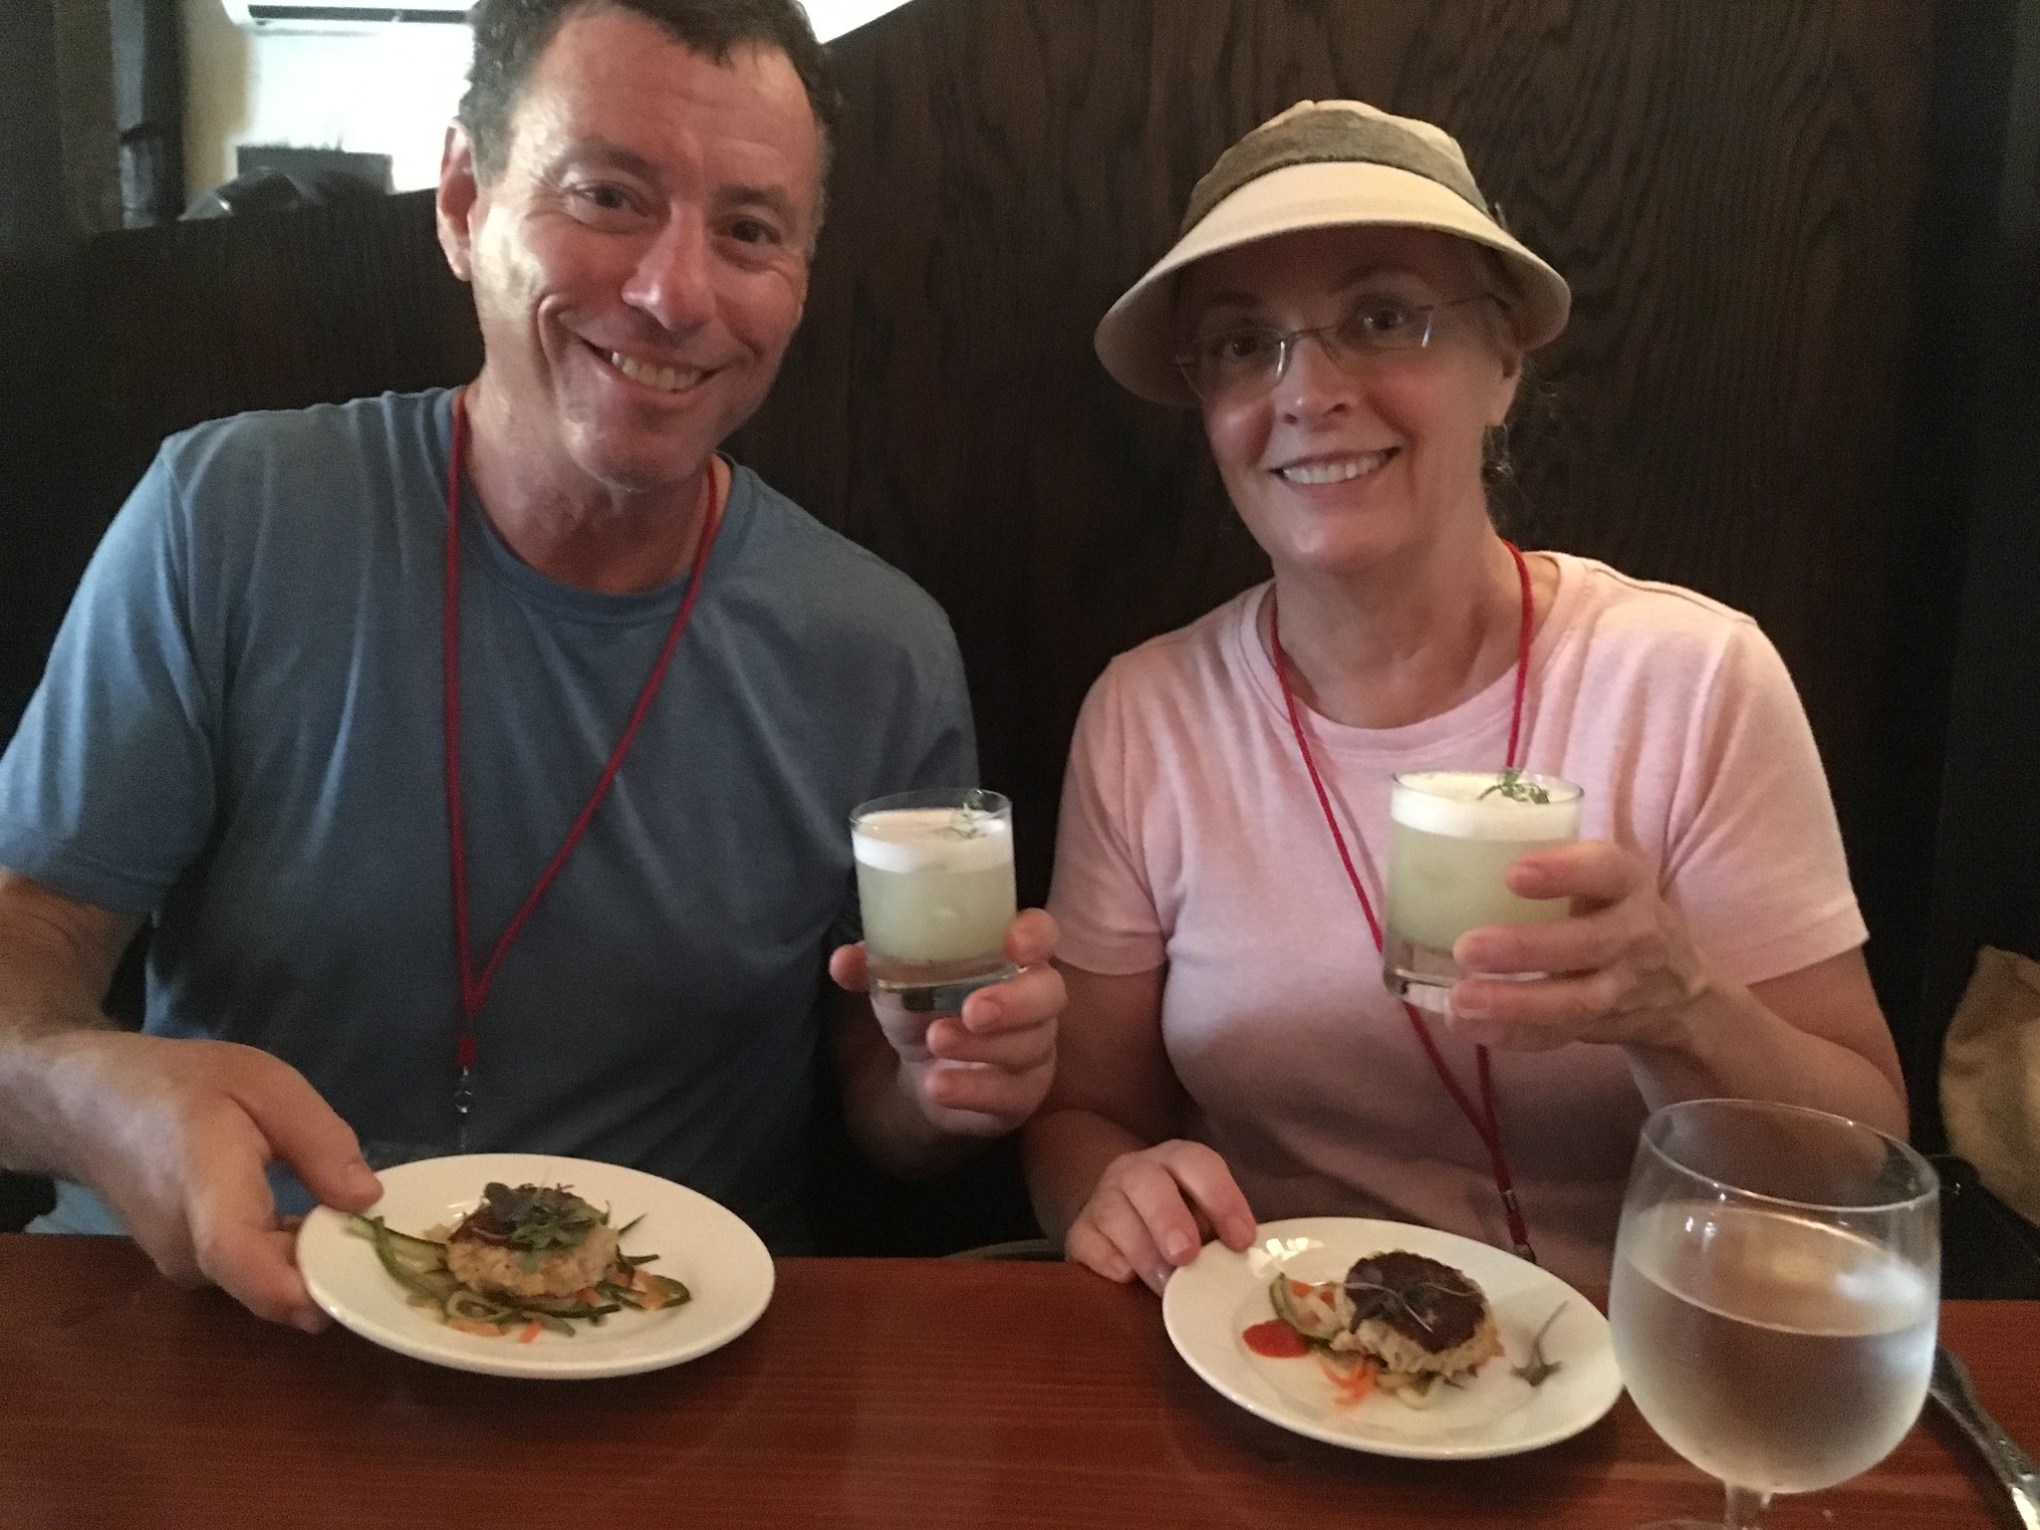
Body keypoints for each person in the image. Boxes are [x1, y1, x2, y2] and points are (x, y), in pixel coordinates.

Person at [0, 0, 1061, 1333]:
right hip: (229, 1316)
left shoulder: (881, 647)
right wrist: (87, 1088)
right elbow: (22, 950)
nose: (677, 293)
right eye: (607, 194)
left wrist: (944, 1086)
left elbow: (883, 1093)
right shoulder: (228, 516)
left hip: (656, 1346)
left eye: (748, 228)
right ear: (461, 199)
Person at [1022, 100, 1906, 1295]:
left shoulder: (1689, 680)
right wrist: (1107, 1192)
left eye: (1382, 318)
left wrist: (1681, 1010)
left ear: (1506, 363)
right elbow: (1083, 1114)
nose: (1307, 391)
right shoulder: (1148, 714)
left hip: (1635, 1381)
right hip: (1281, 1359)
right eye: (1242, 343)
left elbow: (1859, 1174)